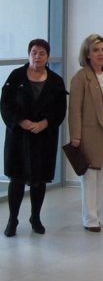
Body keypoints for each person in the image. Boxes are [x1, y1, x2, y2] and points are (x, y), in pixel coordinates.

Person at [1, 39, 67, 237]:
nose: (37, 57)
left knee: (39, 180)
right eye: (34, 53)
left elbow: (60, 109)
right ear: (29, 54)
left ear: (47, 56)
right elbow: (5, 104)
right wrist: (21, 121)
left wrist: (45, 123)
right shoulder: (16, 76)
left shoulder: (56, 81)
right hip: (19, 136)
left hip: (43, 137)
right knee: (17, 178)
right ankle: (12, 219)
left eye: (42, 53)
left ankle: (35, 218)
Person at [68, 34, 103, 233]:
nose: (100, 54)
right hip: (88, 134)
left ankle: (96, 214)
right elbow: (74, 109)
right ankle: (90, 219)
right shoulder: (80, 77)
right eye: (96, 50)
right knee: (89, 176)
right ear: (87, 54)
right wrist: (76, 135)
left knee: (100, 174)